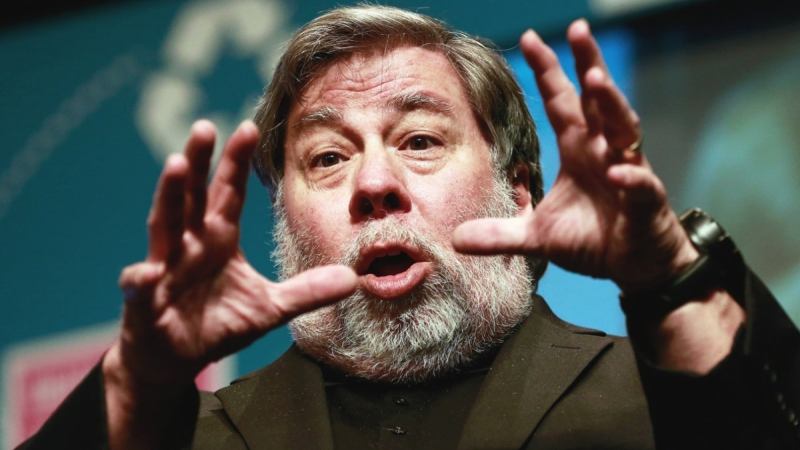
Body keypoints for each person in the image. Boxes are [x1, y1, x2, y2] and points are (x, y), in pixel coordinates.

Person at [22, 5, 799, 450]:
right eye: (328, 157)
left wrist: (673, 280)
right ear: (284, 219)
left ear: (517, 193)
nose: (373, 184)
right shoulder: (186, 437)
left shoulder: (671, 395)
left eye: (420, 140)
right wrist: (135, 382)